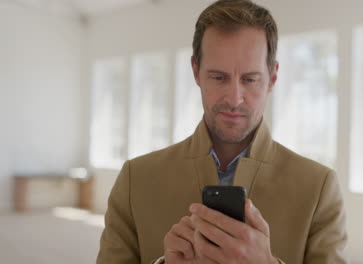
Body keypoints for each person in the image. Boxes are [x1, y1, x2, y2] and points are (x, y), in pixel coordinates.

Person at [96, 0, 348, 263]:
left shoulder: (319, 188)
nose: (235, 99)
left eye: (249, 79)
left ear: (272, 78)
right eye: (218, 77)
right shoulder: (135, 180)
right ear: (195, 72)